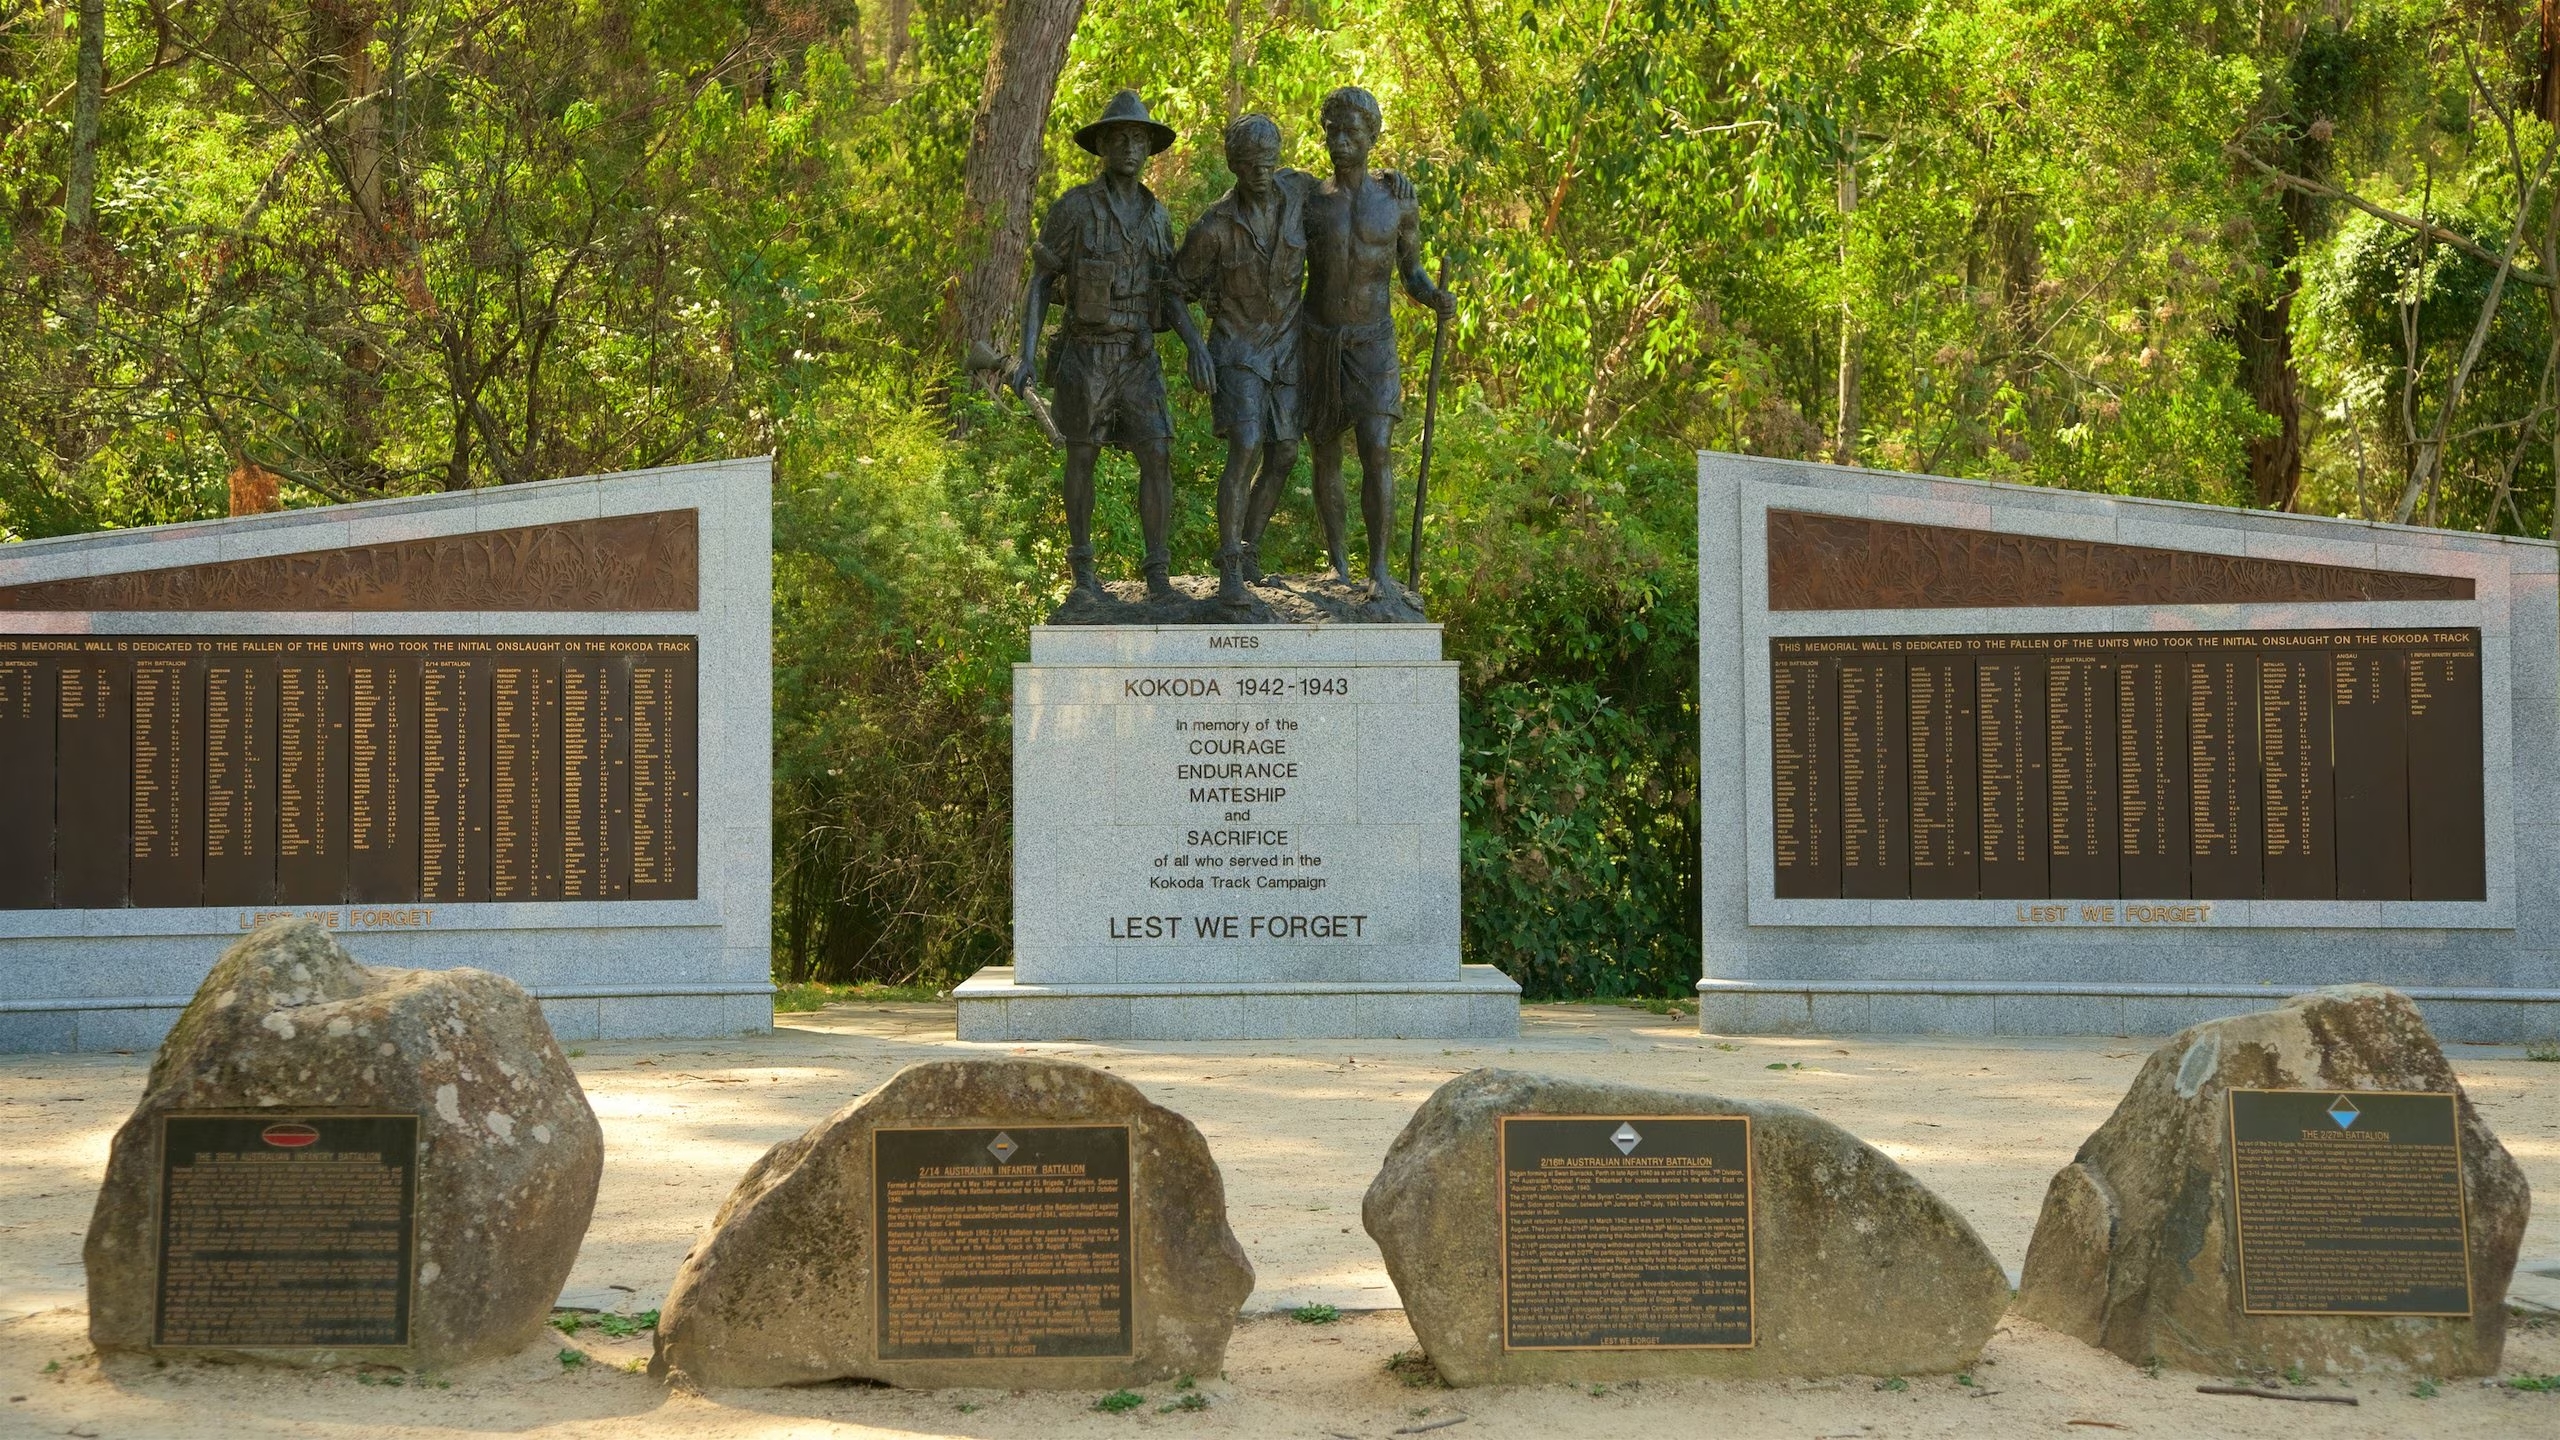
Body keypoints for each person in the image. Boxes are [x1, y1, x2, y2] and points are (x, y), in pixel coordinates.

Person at [1013, 90, 1214, 600]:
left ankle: (1157, 575)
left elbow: (1169, 291)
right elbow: (1039, 282)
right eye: (1120, 137)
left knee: (1157, 452)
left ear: (1149, 149)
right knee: (1081, 457)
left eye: (1139, 139)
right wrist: (1027, 354)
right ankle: (1083, 575)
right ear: (1102, 144)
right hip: (1087, 352)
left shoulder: (1157, 216)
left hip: (1138, 354)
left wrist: (1196, 345)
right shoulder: (1075, 208)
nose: (1129, 146)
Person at [1300, 85, 1453, 593]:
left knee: (1377, 448)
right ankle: (1339, 566)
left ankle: (1380, 571)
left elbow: (1411, 273)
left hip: (1373, 343)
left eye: (1352, 132)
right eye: (1332, 132)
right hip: (1320, 340)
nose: (1340, 141)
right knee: (1325, 451)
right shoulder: (1308, 200)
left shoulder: (1398, 204)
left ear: (1372, 138)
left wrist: (1434, 297)